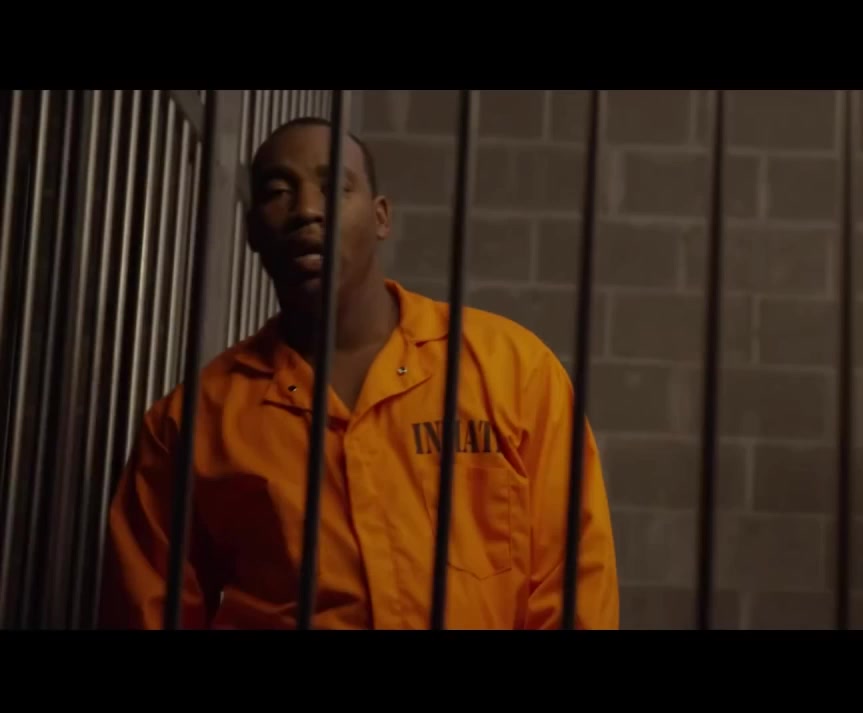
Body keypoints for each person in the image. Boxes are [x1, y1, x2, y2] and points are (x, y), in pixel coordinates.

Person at [99, 117, 619, 630]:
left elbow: (575, 584)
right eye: (279, 192)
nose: (307, 210)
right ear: (253, 230)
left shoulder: (513, 371)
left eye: (334, 188)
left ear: (380, 217)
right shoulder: (192, 424)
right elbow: (147, 611)